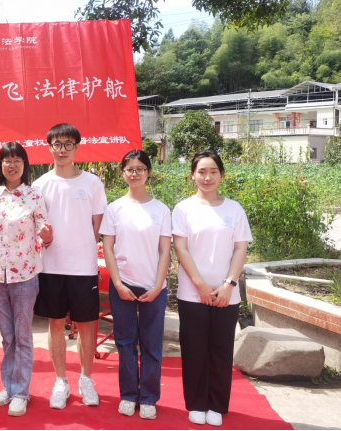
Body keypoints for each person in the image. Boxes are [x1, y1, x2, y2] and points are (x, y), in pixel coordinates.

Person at [172, 150, 252, 427]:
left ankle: (216, 404)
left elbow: (240, 248)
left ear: (221, 175)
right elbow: (181, 248)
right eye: (202, 172)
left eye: (213, 171)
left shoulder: (234, 209)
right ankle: (196, 403)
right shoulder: (183, 209)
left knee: (221, 349)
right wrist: (201, 285)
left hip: (226, 294)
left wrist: (229, 284)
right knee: (194, 349)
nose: (207, 177)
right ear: (192, 175)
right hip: (192, 293)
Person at [32, 123, 107, 409]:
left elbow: (97, 227)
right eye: (57, 144)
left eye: (68, 144)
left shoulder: (92, 183)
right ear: (49, 147)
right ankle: (60, 381)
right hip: (51, 266)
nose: (62, 150)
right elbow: (38, 227)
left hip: (83, 267)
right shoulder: (40, 185)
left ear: (76, 147)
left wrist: (83, 246)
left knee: (86, 325)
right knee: (55, 324)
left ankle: (86, 379)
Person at [0, 142, 53, 417]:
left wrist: (47, 236)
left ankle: (21, 392)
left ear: (24, 165)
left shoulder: (34, 196)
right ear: (0, 165)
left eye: (17, 160)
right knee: (7, 336)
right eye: (7, 160)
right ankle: (8, 386)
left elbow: (45, 234)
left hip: (25, 275)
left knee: (22, 335)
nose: (12, 165)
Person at [100, 149, 171, 420]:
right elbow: (108, 248)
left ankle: (149, 397)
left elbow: (165, 251)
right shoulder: (114, 209)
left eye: (140, 169)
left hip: (154, 286)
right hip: (123, 284)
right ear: (123, 173)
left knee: (152, 344)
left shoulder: (161, 210)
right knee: (125, 342)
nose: (135, 173)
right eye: (130, 169)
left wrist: (158, 285)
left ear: (148, 172)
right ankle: (129, 394)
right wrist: (118, 283)